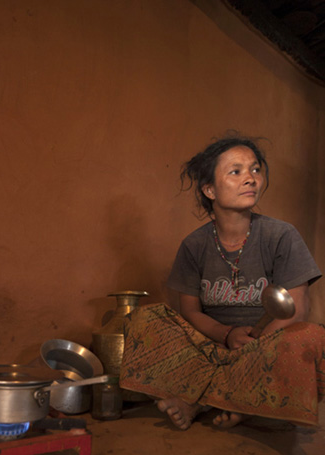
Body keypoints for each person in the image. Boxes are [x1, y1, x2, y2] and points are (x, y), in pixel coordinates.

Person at [119, 134, 324, 430]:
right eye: (236, 171)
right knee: (144, 320)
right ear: (210, 190)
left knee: (311, 337)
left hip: (266, 348)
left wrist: (253, 347)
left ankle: (197, 399)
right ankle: (244, 398)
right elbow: (190, 312)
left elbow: (295, 310)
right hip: (210, 345)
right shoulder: (194, 245)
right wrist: (227, 335)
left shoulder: (281, 236)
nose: (251, 179)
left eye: (255, 169)